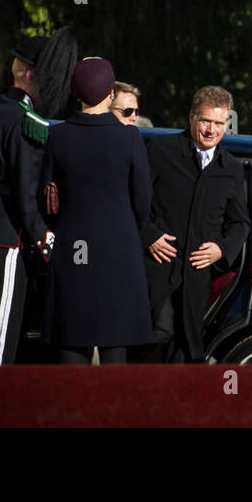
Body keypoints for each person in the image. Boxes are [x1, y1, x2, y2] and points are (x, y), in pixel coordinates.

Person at [40, 57, 154, 364]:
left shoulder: (58, 135)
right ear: (110, 95)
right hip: (120, 248)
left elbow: (46, 198)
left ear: (76, 94)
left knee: (71, 340)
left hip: (72, 246)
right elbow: (143, 201)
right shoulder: (129, 137)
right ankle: (112, 412)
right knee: (115, 343)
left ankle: (70, 411)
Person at [0, 34, 60, 365]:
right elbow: (26, 192)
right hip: (7, 239)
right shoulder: (26, 122)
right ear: (32, 74)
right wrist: (46, 241)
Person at [141, 85, 249, 362]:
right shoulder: (160, 151)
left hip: (196, 277)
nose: (211, 130)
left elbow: (240, 223)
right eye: (205, 121)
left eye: (218, 123)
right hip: (157, 270)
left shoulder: (231, 169)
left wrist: (222, 250)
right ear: (191, 118)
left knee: (185, 349)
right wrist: (149, 235)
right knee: (156, 333)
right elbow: (134, 201)